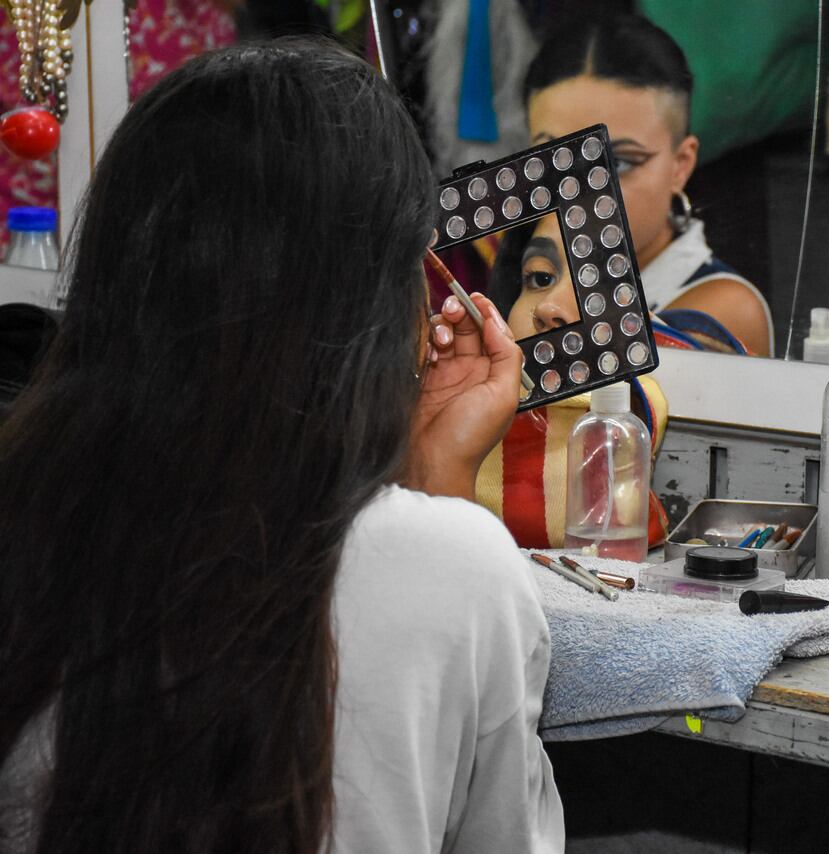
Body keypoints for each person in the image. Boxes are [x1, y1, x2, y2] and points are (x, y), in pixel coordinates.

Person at [0, 40, 563, 854]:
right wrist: (439, 490)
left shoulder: (29, 500)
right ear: (374, 302)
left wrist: (429, 482)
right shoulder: (455, 567)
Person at [523, 14, 775, 356]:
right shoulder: (521, 272)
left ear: (680, 165)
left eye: (618, 163)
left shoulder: (716, 310)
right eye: (555, 159)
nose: (578, 190)